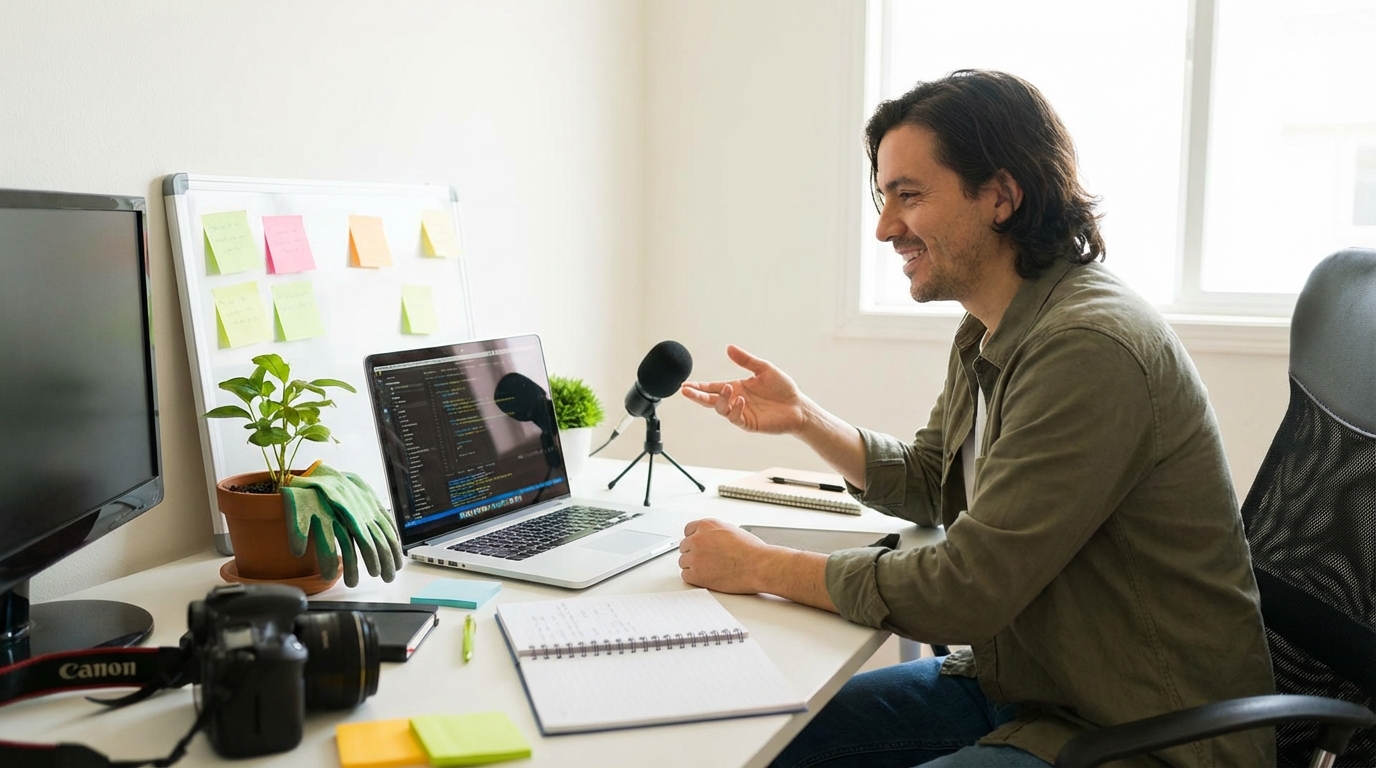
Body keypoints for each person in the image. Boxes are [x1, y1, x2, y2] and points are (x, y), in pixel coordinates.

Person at [677, 70, 1274, 767]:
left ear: (1000, 196)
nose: (884, 227)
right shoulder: (992, 327)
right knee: (772, 743)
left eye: (909, 195)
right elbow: (935, 480)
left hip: (1138, 732)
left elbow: (964, 590)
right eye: (883, 197)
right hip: (1028, 681)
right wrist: (804, 418)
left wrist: (759, 565)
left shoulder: (1087, 350)